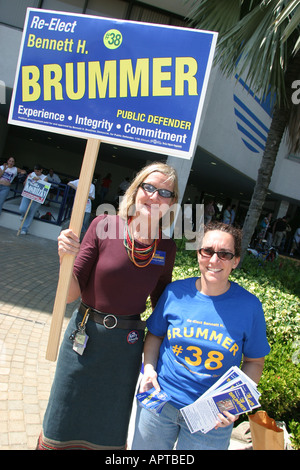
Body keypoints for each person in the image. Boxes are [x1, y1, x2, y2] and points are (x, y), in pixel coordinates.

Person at [37, 162, 179, 450]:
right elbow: (69, 295)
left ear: (172, 203)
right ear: (136, 190)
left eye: (165, 192)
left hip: (125, 350)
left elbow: (162, 305)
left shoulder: (166, 245)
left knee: (108, 431)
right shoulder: (104, 225)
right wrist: (65, 257)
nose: (154, 197)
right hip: (84, 339)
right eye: (148, 187)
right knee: (62, 422)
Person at [132, 221, 270, 450]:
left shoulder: (250, 307)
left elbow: (254, 362)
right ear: (198, 254)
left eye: (225, 254)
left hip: (212, 419)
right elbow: (155, 336)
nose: (214, 260)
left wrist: (233, 404)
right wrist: (148, 370)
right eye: (207, 251)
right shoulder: (175, 293)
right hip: (159, 403)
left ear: (236, 261)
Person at [18, 164, 48, 234]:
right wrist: (30, 180)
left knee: (31, 212)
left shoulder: (44, 177)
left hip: (37, 198)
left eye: (38, 171)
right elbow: (25, 183)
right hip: (28, 194)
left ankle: (24, 229)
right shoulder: (31, 174)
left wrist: (40, 180)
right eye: (35, 171)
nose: (36, 172)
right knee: (22, 209)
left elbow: (46, 187)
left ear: (41, 170)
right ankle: (23, 215)